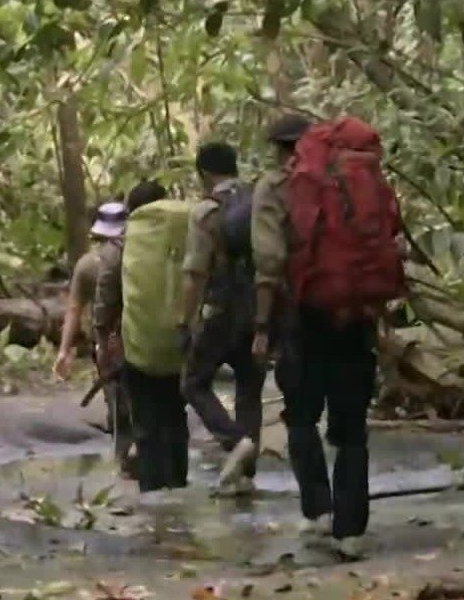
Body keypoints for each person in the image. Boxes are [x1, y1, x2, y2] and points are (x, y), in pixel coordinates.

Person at [253, 115, 405, 561]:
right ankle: (351, 530)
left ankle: (318, 510)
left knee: (301, 416)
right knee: (352, 428)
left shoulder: (275, 187)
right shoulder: (362, 179)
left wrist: (262, 327)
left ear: (280, 149)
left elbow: (268, 261)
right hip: (357, 315)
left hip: (304, 315)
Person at [179, 141, 262, 496]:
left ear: (204, 174)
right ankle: (244, 473)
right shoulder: (259, 200)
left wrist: (185, 320)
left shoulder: (206, 213)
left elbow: (195, 274)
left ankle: (234, 441)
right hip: (260, 307)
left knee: (194, 382)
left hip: (221, 309)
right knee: (249, 387)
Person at [94, 180, 190, 490]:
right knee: (175, 414)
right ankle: (177, 482)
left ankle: (152, 491)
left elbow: (106, 300)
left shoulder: (120, 247)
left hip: (137, 343)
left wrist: (102, 339)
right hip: (180, 340)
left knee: (146, 419)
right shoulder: (187, 235)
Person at [55, 202, 129, 429]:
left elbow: (74, 309)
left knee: (118, 408)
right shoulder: (141, 258)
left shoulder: (87, 265)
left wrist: (64, 350)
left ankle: (124, 449)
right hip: (142, 338)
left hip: (108, 342)